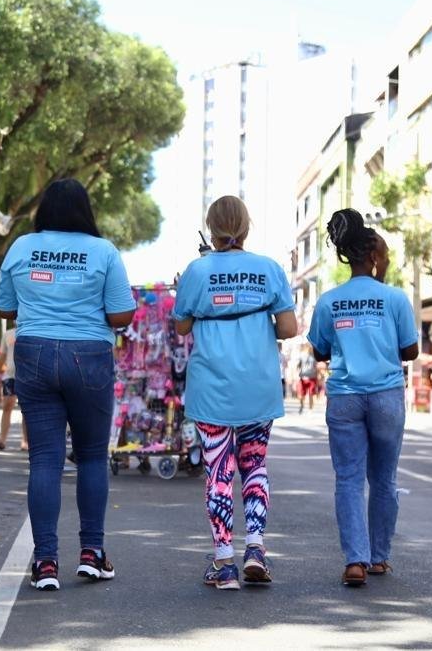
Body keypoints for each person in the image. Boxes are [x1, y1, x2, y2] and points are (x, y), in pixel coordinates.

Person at [0, 178, 136, 591]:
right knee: (91, 456)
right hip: (89, 355)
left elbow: (4, 307)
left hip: (34, 354)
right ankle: (92, 553)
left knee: (44, 460)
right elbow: (121, 315)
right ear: (85, 211)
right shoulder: (104, 251)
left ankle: (44, 562)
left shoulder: (21, 247)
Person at [172, 196, 298, 590]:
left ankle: (224, 562)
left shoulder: (196, 270)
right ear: (246, 227)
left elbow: (181, 327)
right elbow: (289, 328)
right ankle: (256, 549)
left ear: (211, 228)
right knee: (254, 466)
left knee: (219, 472)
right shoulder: (269, 268)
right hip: (258, 385)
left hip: (211, 388)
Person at [307, 209, 418, 587]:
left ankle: (355, 560)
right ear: (373, 257)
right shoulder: (395, 298)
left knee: (349, 479)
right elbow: (411, 350)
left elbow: (319, 351)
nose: (386, 261)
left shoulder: (329, 301)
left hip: (345, 398)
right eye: (384, 256)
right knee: (384, 479)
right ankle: (379, 558)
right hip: (386, 396)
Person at [0, 324, 28, 451]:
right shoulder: (8, 334)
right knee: (7, 406)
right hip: (10, 376)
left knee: (26, 409)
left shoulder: (30, 331)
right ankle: (2, 439)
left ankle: (25, 441)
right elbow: (2, 356)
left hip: (27, 375)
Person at [297, 345, 318, 414]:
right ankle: (302, 405)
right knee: (302, 394)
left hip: (312, 377)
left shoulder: (315, 356)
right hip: (303, 377)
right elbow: (298, 366)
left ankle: (310, 409)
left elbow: (317, 366)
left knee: (311, 394)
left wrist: (318, 375)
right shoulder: (302, 356)